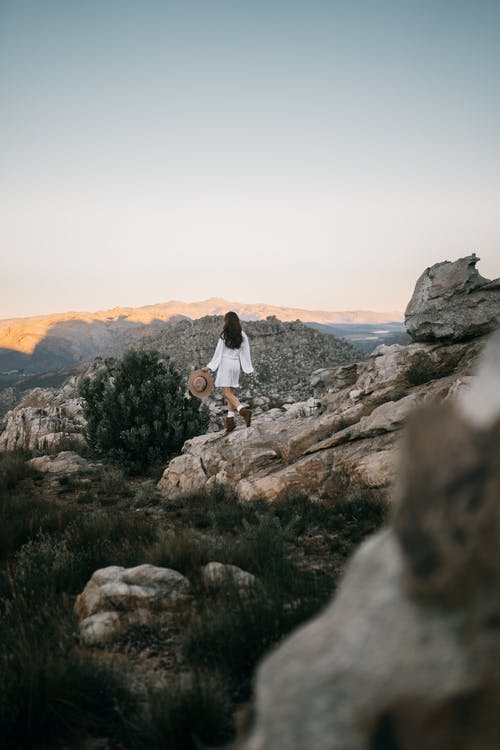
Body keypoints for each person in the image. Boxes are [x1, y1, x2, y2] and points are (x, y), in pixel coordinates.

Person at [203, 311, 254, 434]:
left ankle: (243, 411)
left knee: (226, 393)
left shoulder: (224, 335)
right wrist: (248, 369)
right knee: (230, 392)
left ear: (227, 322)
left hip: (226, 364)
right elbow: (246, 353)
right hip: (236, 364)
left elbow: (218, 354)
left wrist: (209, 367)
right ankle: (230, 421)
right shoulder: (242, 335)